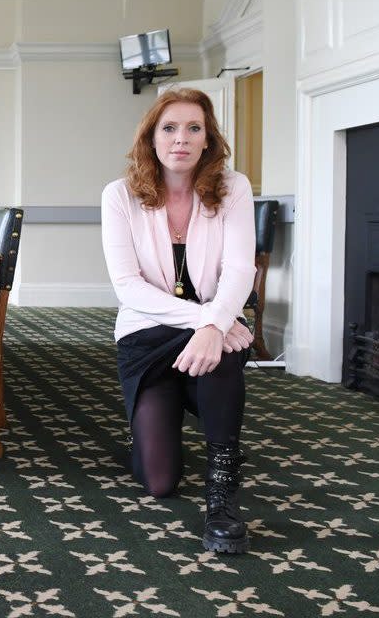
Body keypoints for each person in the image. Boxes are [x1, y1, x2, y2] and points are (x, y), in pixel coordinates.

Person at [100, 87, 255, 554]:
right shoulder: (120, 196)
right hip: (147, 335)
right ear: (151, 138)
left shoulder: (233, 188)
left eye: (194, 128)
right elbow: (127, 286)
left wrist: (212, 329)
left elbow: (240, 269)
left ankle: (222, 492)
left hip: (210, 338)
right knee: (159, 482)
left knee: (223, 355)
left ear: (208, 139)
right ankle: (162, 422)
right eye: (169, 128)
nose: (181, 139)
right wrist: (212, 319)